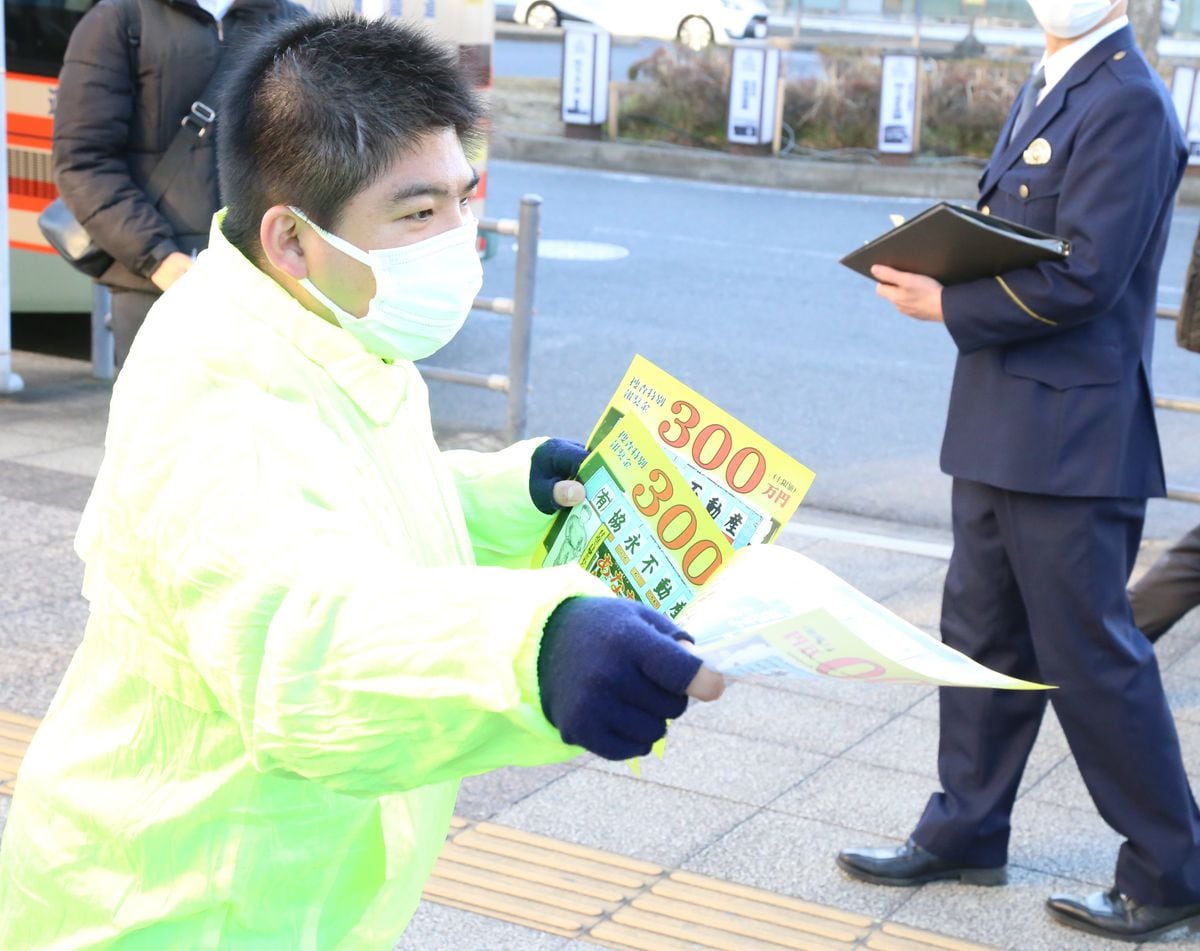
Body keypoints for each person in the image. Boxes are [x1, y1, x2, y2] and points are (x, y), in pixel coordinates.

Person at [0, 14, 724, 947]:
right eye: (418, 214)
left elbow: (343, 504)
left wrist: (513, 496)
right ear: (292, 238)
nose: (457, 240)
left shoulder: (325, 319)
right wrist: (533, 651)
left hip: (274, 889)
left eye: (465, 199)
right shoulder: (221, 387)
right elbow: (300, 638)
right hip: (171, 905)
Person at [835, 0, 1200, 941]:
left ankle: (1170, 868)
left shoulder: (1127, 98)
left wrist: (948, 303)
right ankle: (965, 829)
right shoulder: (1055, 79)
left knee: (1091, 657)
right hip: (1004, 418)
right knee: (979, 636)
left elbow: (1086, 273)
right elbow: (1022, 238)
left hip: (1073, 438)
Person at [52, 0, 302, 366]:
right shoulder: (121, 18)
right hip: (158, 284)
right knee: (162, 421)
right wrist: (158, 258)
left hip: (269, 286)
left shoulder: (290, 21)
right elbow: (83, 160)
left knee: (265, 421)